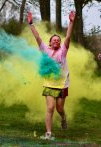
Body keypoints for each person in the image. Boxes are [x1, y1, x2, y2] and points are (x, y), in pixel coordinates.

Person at [27, 11, 75, 139]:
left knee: (59, 108)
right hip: (49, 84)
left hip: (62, 84)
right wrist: (31, 24)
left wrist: (71, 22)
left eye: (58, 40)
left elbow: (68, 37)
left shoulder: (62, 51)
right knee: (50, 108)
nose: (56, 41)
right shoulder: (45, 50)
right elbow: (37, 37)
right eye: (54, 40)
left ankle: (63, 117)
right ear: (50, 42)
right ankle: (48, 133)